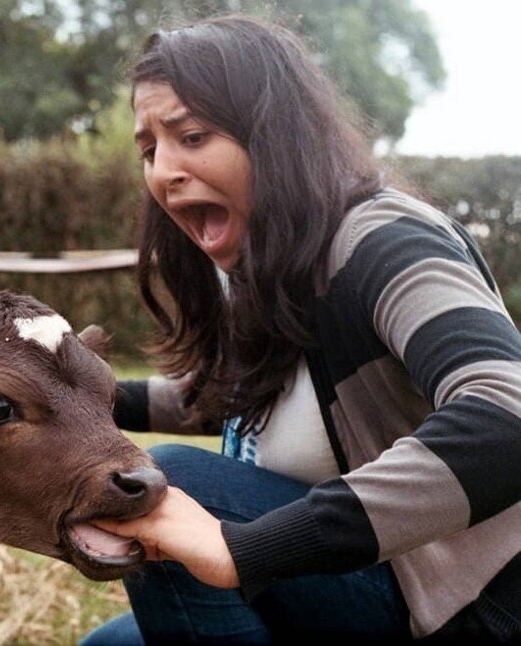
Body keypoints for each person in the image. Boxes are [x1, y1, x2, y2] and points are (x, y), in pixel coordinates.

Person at [80, 14, 521, 645]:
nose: (163, 172)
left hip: (463, 610)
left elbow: (508, 414)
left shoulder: (386, 240)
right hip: (358, 578)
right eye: (150, 150)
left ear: (275, 134)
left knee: (175, 480)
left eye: (193, 135)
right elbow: (236, 399)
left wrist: (252, 548)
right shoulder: (276, 264)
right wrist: (74, 387)